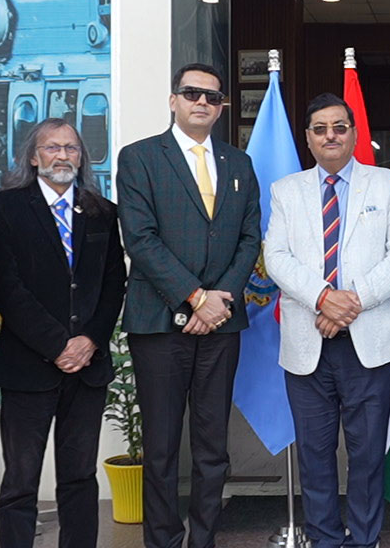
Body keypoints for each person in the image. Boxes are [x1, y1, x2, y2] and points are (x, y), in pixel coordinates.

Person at [115, 63, 262, 548]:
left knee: (212, 447)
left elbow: (249, 238)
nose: (202, 102)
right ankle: (163, 540)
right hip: (159, 324)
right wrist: (196, 298)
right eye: (192, 93)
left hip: (221, 324)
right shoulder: (139, 158)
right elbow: (140, 238)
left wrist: (218, 302)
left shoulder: (238, 163)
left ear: (221, 108)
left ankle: (204, 539)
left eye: (212, 97)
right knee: (160, 448)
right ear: (173, 100)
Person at [264, 93, 390, 548]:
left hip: (370, 342)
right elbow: (276, 257)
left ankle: (365, 539)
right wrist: (323, 299)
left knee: (367, 453)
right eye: (320, 128)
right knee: (314, 453)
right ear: (308, 138)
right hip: (307, 343)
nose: (330, 135)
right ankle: (325, 538)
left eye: (339, 127)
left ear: (353, 133)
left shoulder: (387, 184)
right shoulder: (285, 190)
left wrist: (352, 303)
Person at [0, 118, 127, 548]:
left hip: (87, 369)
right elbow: (8, 287)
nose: (63, 155)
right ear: (34, 157)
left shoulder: (102, 212)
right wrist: (58, 345)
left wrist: (89, 341)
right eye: (52, 147)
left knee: (80, 477)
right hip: (28, 367)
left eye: (71, 148)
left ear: (81, 158)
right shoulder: (4, 208)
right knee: (21, 481)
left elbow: (113, 284)